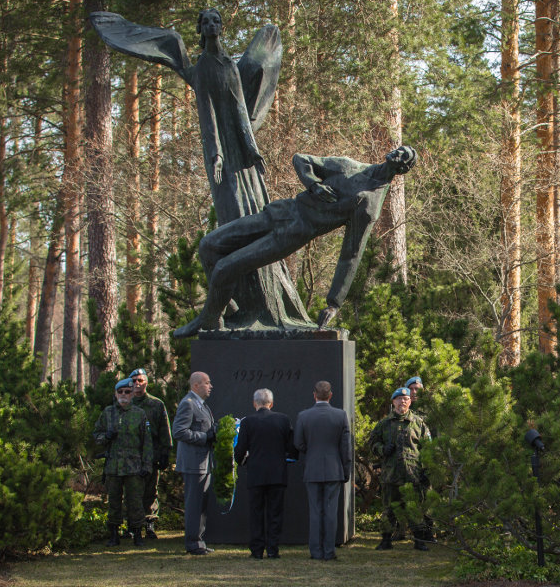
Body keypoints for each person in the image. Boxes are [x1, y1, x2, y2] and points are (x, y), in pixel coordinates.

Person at [90, 9, 310, 330]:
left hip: (242, 156)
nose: (211, 26)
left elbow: (239, 109)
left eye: (215, 21)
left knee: (257, 215)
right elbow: (207, 114)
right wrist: (216, 155)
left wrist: (252, 150)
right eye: (205, 22)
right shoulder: (204, 67)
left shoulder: (229, 66)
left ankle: (265, 303)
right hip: (222, 160)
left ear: (221, 27)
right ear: (201, 29)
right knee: (233, 220)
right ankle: (238, 303)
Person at [173, 145, 418, 337]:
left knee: (225, 268)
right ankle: (223, 312)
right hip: (281, 211)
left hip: (292, 234)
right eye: (398, 149)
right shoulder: (350, 167)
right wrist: (313, 185)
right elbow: (301, 159)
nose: (396, 154)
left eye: (403, 156)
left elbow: (351, 254)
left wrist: (334, 303)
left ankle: (209, 319)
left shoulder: (368, 205)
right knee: (208, 246)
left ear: (403, 169)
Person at [233, 388, 298, 559]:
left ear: (255, 403)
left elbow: (240, 449)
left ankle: (256, 550)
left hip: (256, 473)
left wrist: (241, 462)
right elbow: (292, 447)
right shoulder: (283, 420)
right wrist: (290, 457)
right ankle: (272, 549)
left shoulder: (248, 422)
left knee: (256, 513)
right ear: (271, 403)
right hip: (277, 473)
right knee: (275, 513)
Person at [368, 386, 433, 551]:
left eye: (405, 399)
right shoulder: (384, 424)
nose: (402, 402)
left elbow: (428, 449)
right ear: (393, 402)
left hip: (413, 474)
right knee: (389, 509)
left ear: (410, 402)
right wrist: (382, 449)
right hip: (391, 475)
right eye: (399, 399)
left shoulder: (419, 424)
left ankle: (419, 541)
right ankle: (385, 540)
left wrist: (426, 470)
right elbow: (372, 444)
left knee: (415, 508)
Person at [294, 381, 351, 561]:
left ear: (314, 395)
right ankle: (329, 551)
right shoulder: (340, 416)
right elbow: (346, 448)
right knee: (330, 512)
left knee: (315, 512)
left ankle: (316, 552)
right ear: (330, 395)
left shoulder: (303, 416)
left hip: (312, 468)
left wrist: (310, 453)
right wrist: (346, 470)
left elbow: (298, 443)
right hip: (334, 469)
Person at [93, 377, 153, 547]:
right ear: (116, 393)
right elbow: (96, 436)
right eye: (120, 392)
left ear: (133, 394)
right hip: (113, 466)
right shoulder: (108, 413)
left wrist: (147, 465)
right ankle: (114, 535)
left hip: (134, 467)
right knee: (113, 501)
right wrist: (106, 436)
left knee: (135, 502)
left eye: (127, 392)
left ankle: (137, 534)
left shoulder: (139, 414)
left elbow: (147, 443)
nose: (124, 395)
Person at [172, 371, 216, 555]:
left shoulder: (202, 405)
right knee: (194, 505)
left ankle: (199, 541)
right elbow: (179, 431)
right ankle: (192, 543)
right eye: (207, 383)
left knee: (201, 504)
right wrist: (204, 437)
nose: (210, 386)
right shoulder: (188, 404)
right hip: (193, 463)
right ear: (196, 385)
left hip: (203, 462)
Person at [129, 368, 172, 539]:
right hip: (131, 454)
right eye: (134, 381)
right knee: (132, 491)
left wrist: (165, 452)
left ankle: (149, 524)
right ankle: (133, 526)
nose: (137, 384)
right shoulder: (126, 403)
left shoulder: (156, 404)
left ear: (146, 382)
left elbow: (164, 429)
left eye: (141, 380)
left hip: (151, 454)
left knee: (150, 491)